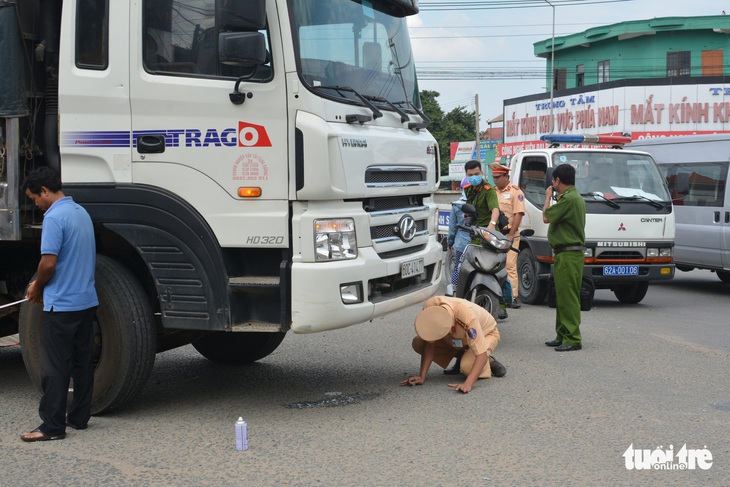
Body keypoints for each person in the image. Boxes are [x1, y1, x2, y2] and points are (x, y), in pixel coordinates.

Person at [20, 167, 99, 442]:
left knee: (54, 367)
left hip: (62, 305)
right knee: (82, 363)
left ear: (44, 190)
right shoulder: (81, 213)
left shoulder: (54, 217)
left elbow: (49, 262)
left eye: (34, 198)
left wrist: (38, 286)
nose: (35, 204)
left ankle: (52, 427)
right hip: (86, 301)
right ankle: (79, 418)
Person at [400, 296, 506, 393]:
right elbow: (429, 343)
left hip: (486, 334)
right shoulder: (430, 307)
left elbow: (481, 355)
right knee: (419, 343)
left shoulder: (466, 317)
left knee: (467, 367)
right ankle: (464, 354)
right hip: (457, 338)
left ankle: (488, 361)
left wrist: (467, 384)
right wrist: (421, 376)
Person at [542, 164, 586, 352]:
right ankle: (562, 334)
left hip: (569, 255)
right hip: (565, 254)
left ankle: (573, 338)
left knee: (568, 298)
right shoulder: (571, 198)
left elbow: (546, 217)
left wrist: (546, 198)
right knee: (562, 296)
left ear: (558, 180)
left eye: (553, 181)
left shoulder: (569, 199)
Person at [462, 160, 508, 319]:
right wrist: (466, 216)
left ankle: (502, 303)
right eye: (470, 175)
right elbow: (468, 207)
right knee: (466, 264)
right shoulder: (468, 189)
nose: (474, 177)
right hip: (475, 233)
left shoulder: (488, 190)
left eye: (476, 174)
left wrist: (492, 224)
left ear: (482, 173)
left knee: (498, 269)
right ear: (466, 176)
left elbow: (495, 209)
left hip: (489, 234)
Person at [490, 162, 526, 308]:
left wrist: (511, 234)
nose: (495, 180)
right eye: (493, 177)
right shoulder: (492, 192)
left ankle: (512, 297)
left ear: (506, 176)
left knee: (510, 265)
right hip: (494, 235)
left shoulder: (515, 192)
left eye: (498, 177)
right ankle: (495, 294)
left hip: (509, 234)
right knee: (492, 265)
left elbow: (518, 214)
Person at [445, 188, 470, 296]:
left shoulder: (456, 206)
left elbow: (452, 227)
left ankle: (454, 291)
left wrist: (449, 243)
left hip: (461, 243)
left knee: (457, 267)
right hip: (476, 241)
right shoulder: (478, 203)